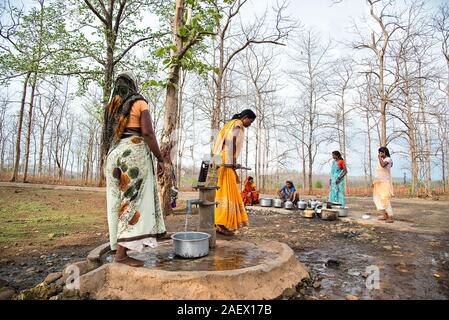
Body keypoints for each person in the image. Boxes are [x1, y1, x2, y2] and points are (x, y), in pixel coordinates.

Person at [103, 72, 168, 267]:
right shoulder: (139, 103)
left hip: (114, 154)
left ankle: (117, 247)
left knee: (116, 202)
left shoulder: (110, 108)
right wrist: (159, 157)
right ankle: (121, 255)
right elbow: (147, 132)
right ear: (133, 87)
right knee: (133, 200)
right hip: (133, 154)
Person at [213, 109, 256, 236]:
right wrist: (231, 161)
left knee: (223, 193)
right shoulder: (238, 124)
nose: (250, 124)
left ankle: (220, 223)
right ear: (246, 118)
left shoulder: (230, 124)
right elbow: (231, 140)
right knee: (227, 193)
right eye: (251, 121)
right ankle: (221, 224)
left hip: (221, 160)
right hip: (225, 161)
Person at [373, 146, 394, 223]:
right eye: (379, 153)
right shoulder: (382, 159)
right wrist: (374, 181)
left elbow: (383, 165)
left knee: (385, 199)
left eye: (381, 152)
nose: (379, 154)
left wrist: (379, 158)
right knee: (378, 199)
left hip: (385, 183)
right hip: (378, 182)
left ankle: (390, 216)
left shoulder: (388, 159)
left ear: (385, 152)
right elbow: (378, 172)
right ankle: (385, 215)